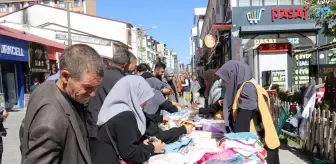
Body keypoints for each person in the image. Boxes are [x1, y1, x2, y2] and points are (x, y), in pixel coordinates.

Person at [20, 44, 105, 164]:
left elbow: (24, 132)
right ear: (65, 76)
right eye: (88, 87)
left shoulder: (48, 88)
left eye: (96, 88)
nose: (93, 94)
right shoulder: (52, 117)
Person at [216, 60, 280, 164]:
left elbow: (242, 128)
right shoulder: (247, 86)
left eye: (226, 79)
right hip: (259, 146)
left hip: (262, 147)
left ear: (235, 75)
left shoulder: (247, 89)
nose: (224, 83)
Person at [92, 75, 166, 164]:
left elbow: (123, 142)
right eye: (143, 98)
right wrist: (153, 148)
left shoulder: (114, 110)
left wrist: (141, 145)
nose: (145, 103)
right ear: (134, 94)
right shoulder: (125, 116)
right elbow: (130, 153)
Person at [87, 48, 135, 145]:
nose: (133, 68)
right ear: (125, 65)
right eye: (133, 65)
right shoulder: (120, 80)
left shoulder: (102, 74)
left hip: (91, 122)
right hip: (104, 128)